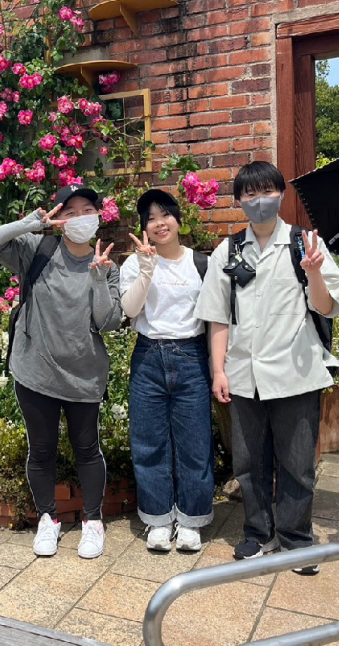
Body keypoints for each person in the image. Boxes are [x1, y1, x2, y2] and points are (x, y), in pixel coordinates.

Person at [194, 161, 339, 574]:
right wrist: (219, 370)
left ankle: (297, 540)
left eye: (267, 192)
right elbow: (217, 317)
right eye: (249, 194)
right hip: (244, 376)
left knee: (297, 463)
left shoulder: (305, 243)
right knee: (249, 463)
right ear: (239, 200)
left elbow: (326, 307)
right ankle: (257, 533)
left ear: (281, 194)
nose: (259, 201)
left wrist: (315, 273)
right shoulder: (227, 251)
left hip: (296, 373)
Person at [0, 183, 122, 559]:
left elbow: (108, 323)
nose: (80, 218)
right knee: (41, 449)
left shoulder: (107, 265)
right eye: (70, 212)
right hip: (36, 370)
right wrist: (30, 223)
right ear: (58, 218)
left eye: (87, 210)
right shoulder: (36, 250)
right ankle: (47, 519)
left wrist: (98, 279)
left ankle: (93, 521)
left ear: (98, 215)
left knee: (87, 448)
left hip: (84, 375)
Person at [120, 189, 213, 552]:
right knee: (149, 442)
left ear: (177, 219)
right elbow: (130, 309)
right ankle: (158, 519)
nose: (159, 223)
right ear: (144, 227)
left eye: (165, 215)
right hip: (148, 356)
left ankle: (191, 520)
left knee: (195, 444)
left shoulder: (201, 263)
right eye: (150, 218)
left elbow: (215, 317)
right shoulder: (135, 263)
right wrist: (146, 269)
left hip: (191, 355)